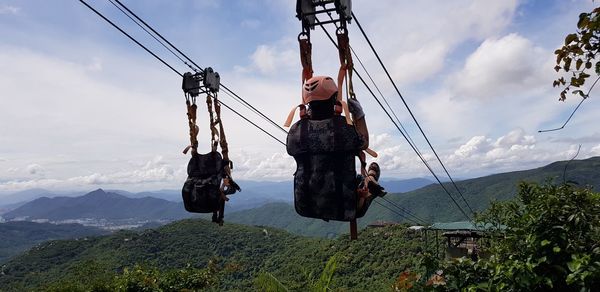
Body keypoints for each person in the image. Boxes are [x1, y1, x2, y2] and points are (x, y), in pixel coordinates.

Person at [303, 76, 386, 214]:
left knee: (355, 179)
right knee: (364, 182)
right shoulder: (342, 129)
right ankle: (371, 181)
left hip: (310, 203)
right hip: (345, 205)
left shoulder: (298, 131)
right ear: (334, 99)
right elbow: (364, 142)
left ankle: (369, 180)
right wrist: (359, 115)